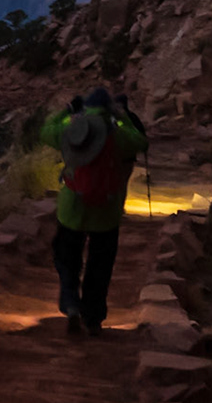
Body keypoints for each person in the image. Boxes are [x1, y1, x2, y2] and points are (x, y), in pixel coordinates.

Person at [39, 87, 149, 335]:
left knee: (67, 259)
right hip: (107, 210)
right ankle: (93, 318)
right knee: (100, 265)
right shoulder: (116, 134)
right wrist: (123, 116)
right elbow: (141, 141)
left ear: (86, 107)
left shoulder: (71, 129)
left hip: (72, 208)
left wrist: (67, 111)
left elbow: (45, 132)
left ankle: (70, 303)